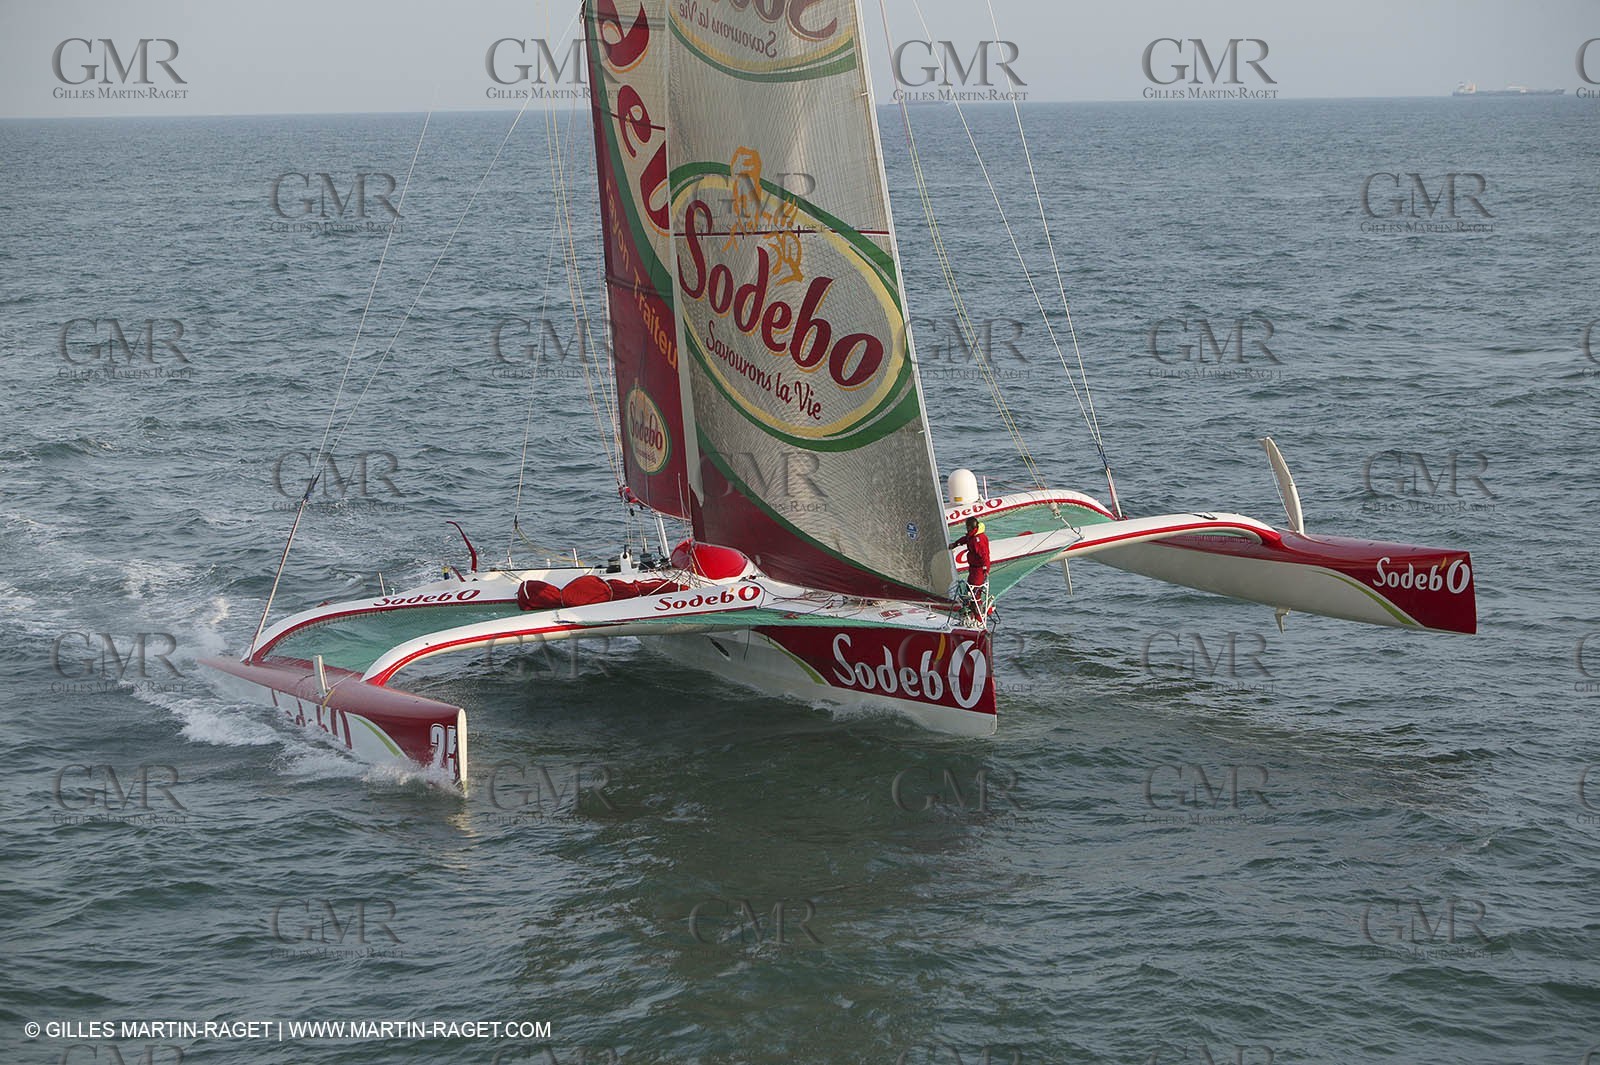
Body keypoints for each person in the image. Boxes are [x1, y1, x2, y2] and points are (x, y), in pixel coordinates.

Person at [949, 516, 991, 619]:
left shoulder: (978, 539)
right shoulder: (972, 535)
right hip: (973, 569)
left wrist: (985, 570)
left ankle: (979, 618)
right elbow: (966, 539)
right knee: (970, 589)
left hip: (978, 569)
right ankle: (971, 614)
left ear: (969, 527)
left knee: (975, 593)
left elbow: (984, 556)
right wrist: (956, 544)